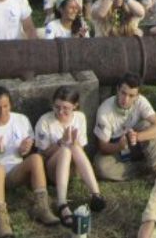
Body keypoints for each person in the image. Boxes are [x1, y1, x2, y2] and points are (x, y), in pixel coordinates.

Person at [0, 87, 60, 237]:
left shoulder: (21, 120)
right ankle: (0, 217)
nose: (2, 111)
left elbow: (28, 145)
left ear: (10, 105)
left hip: (14, 172)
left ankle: (41, 206)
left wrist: (25, 149)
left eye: (6, 106)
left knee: (36, 159)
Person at [35, 87, 105, 227]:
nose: (60, 112)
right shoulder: (45, 121)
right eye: (57, 107)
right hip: (53, 169)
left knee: (73, 146)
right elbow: (42, 154)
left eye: (66, 108)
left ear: (75, 106)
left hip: (74, 169)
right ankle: (62, 203)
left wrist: (73, 142)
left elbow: (81, 149)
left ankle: (96, 194)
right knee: (66, 148)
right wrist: (61, 142)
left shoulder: (80, 117)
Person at [94, 73, 156, 181]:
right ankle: (144, 168)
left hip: (137, 143)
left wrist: (138, 136)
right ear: (117, 90)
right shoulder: (104, 110)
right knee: (101, 167)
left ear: (137, 96)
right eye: (123, 93)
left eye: (131, 96)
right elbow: (102, 146)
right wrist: (119, 146)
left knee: (147, 126)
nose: (126, 99)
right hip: (116, 148)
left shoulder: (141, 101)